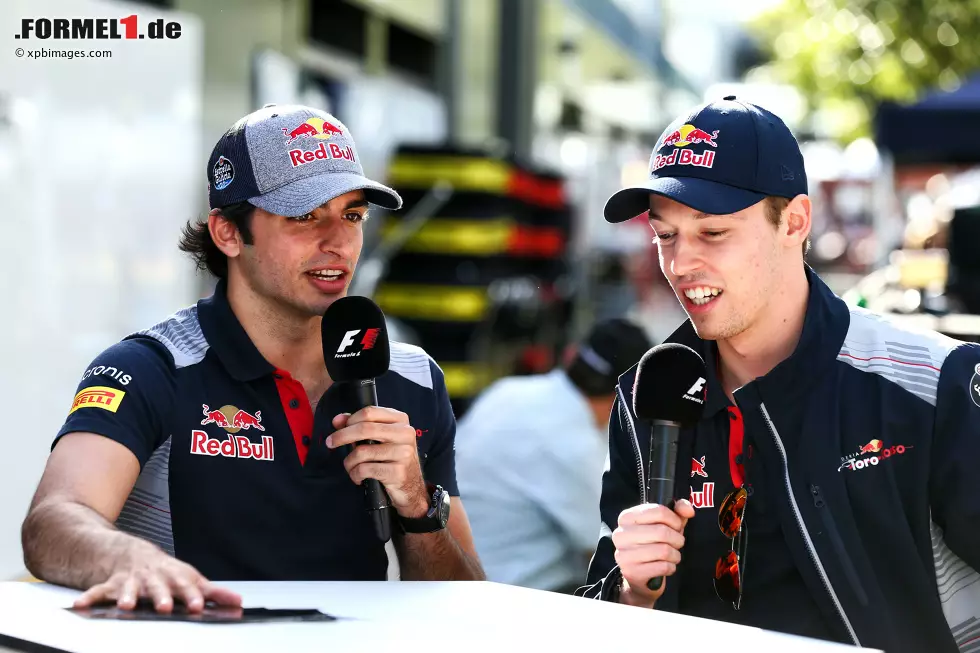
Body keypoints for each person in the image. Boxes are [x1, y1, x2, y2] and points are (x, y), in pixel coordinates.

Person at [21, 104, 485, 614]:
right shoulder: (151, 367)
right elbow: (53, 521)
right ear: (227, 233)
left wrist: (419, 509)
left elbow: (463, 602)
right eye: (304, 216)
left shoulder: (413, 378)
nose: (338, 242)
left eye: (352, 215)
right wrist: (126, 558)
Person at [576, 96, 980, 653]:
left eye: (712, 233)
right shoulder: (646, 393)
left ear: (794, 222)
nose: (681, 263)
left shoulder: (934, 383)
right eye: (665, 236)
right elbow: (600, 619)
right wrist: (631, 591)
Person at [455, 319, 652, 594]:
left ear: (573, 354)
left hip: (459, 575)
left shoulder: (509, 390)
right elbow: (616, 548)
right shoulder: (574, 446)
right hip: (505, 597)